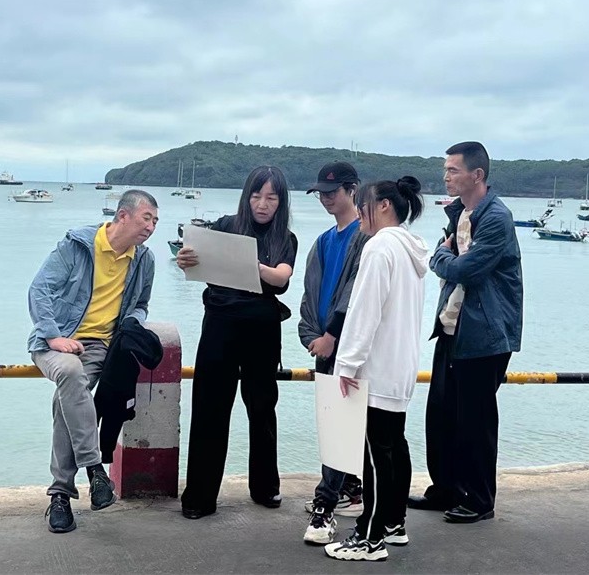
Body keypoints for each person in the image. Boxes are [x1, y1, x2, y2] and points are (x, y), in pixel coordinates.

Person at [27, 189, 158, 534]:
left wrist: (132, 323)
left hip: (100, 346)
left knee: (68, 396)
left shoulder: (144, 260)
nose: (151, 227)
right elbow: (39, 289)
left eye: (155, 221)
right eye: (146, 218)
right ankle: (94, 469)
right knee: (70, 374)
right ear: (123, 216)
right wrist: (52, 335)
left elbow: (141, 304)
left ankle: (60, 496)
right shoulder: (77, 246)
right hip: (56, 340)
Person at [407, 141, 523, 524]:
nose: (446, 177)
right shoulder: (459, 213)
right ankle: (446, 489)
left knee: (476, 420)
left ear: (477, 175)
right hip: (452, 328)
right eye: (445, 170)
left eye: (453, 170)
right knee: (441, 414)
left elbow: (465, 269)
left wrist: (441, 256)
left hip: (485, 334)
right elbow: (453, 264)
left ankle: (480, 499)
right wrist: (446, 257)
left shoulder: (496, 218)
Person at [177, 166, 298, 519]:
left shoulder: (285, 238)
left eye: (271, 198)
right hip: (220, 325)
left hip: (262, 329)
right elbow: (197, 263)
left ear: (281, 202)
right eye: (256, 196)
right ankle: (199, 497)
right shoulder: (225, 226)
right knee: (210, 408)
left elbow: (281, 278)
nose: (262, 204)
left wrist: (251, 265)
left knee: (262, 407)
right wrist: (185, 260)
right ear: (247, 197)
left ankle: (265, 487)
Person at [323, 177, 428, 563]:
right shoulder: (409, 248)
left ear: (384, 205)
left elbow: (364, 311)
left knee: (374, 455)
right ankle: (394, 524)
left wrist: (347, 364)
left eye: (362, 203)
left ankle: (370, 537)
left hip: (376, 368)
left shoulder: (380, 246)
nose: (359, 212)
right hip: (400, 367)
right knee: (393, 447)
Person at [298, 162, 369, 545]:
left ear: (352, 190)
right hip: (324, 345)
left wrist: (332, 336)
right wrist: (311, 335)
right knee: (336, 425)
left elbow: (355, 294)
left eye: (333, 192)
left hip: (348, 347)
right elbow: (311, 292)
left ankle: (325, 507)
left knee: (341, 426)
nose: (326, 199)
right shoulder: (325, 241)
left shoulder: (365, 237)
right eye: (321, 193)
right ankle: (351, 489)